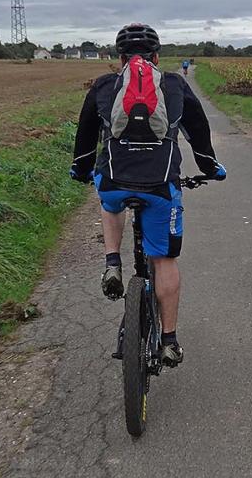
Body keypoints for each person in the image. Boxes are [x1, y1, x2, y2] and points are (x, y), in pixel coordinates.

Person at [69, 23, 226, 367]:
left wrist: (81, 169)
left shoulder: (104, 85)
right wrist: (210, 167)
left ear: (119, 59)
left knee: (109, 200)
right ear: (157, 57)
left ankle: (113, 262)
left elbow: (85, 137)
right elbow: (198, 133)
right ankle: (169, 341)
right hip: (160, 186)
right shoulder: (174, 85)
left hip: (114, 180)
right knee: (164, 259)